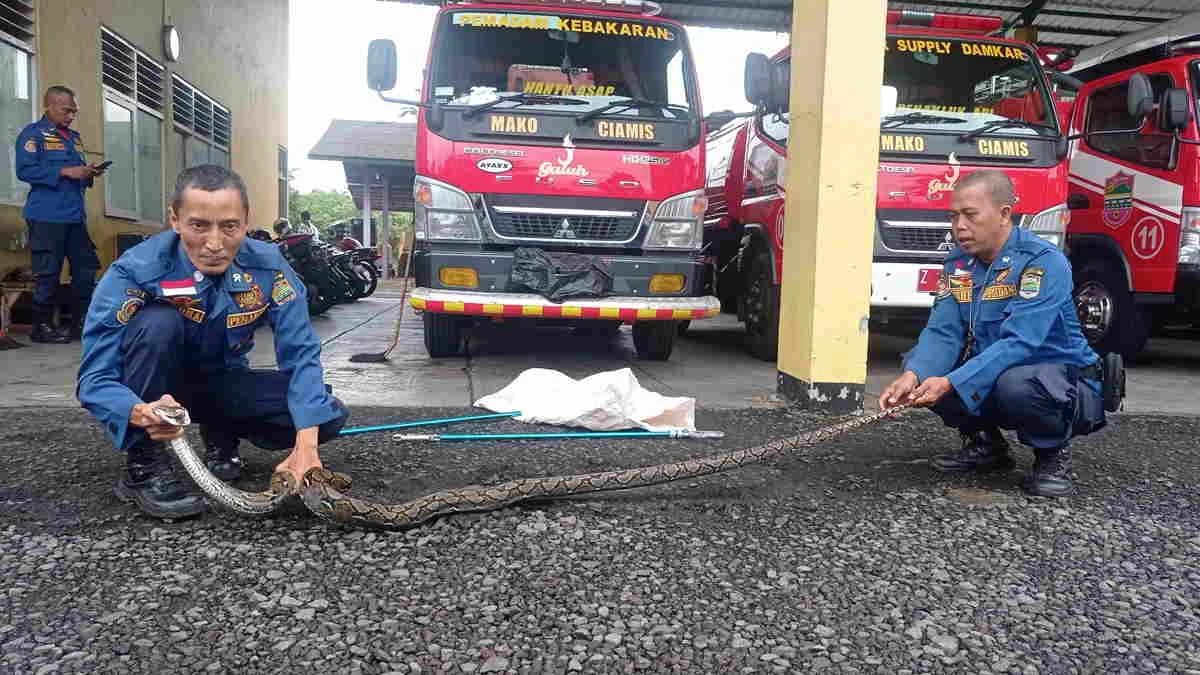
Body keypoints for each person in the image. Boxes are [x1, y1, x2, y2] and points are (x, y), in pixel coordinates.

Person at [76, 165, 349, 520]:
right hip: (157, 393)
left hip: (221, 383)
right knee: (159, 322)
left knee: (326, 413)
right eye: (199, 225)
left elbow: (301, 354)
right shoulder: (135, 270)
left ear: (246, 220)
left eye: (230, 226)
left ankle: (221, 432)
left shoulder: (268, 267)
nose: (215, 244)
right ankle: (143, 464)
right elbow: (94, 380)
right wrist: (138, 412)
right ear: (175, 220)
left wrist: (307, 446)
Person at [878, 170, 1115, 498]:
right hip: (1001, 370)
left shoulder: (1043, 262)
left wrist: (950, 382)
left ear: (1005, 214)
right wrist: (915, 374)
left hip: (1060, 382)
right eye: (954, 216)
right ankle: (986, 445)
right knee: (923, 366)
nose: (959, 225)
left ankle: (1052, 454)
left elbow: (1021, 342)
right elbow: (944, 332)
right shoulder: (958, 264)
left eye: (970, 215)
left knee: (1016, 384)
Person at [16, 85, 108, 343]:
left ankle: (81, 324)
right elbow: (24, 171)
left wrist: (87, 172)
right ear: (50, 106)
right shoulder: (33, 135)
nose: (71, 115)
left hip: (74, 216)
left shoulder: (73, 137)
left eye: (74, 111)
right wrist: (65, 172)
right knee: (48, 272)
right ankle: (42, 327)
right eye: (67, 110)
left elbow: (75, 171)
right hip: (46, 215)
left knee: (86, 269)